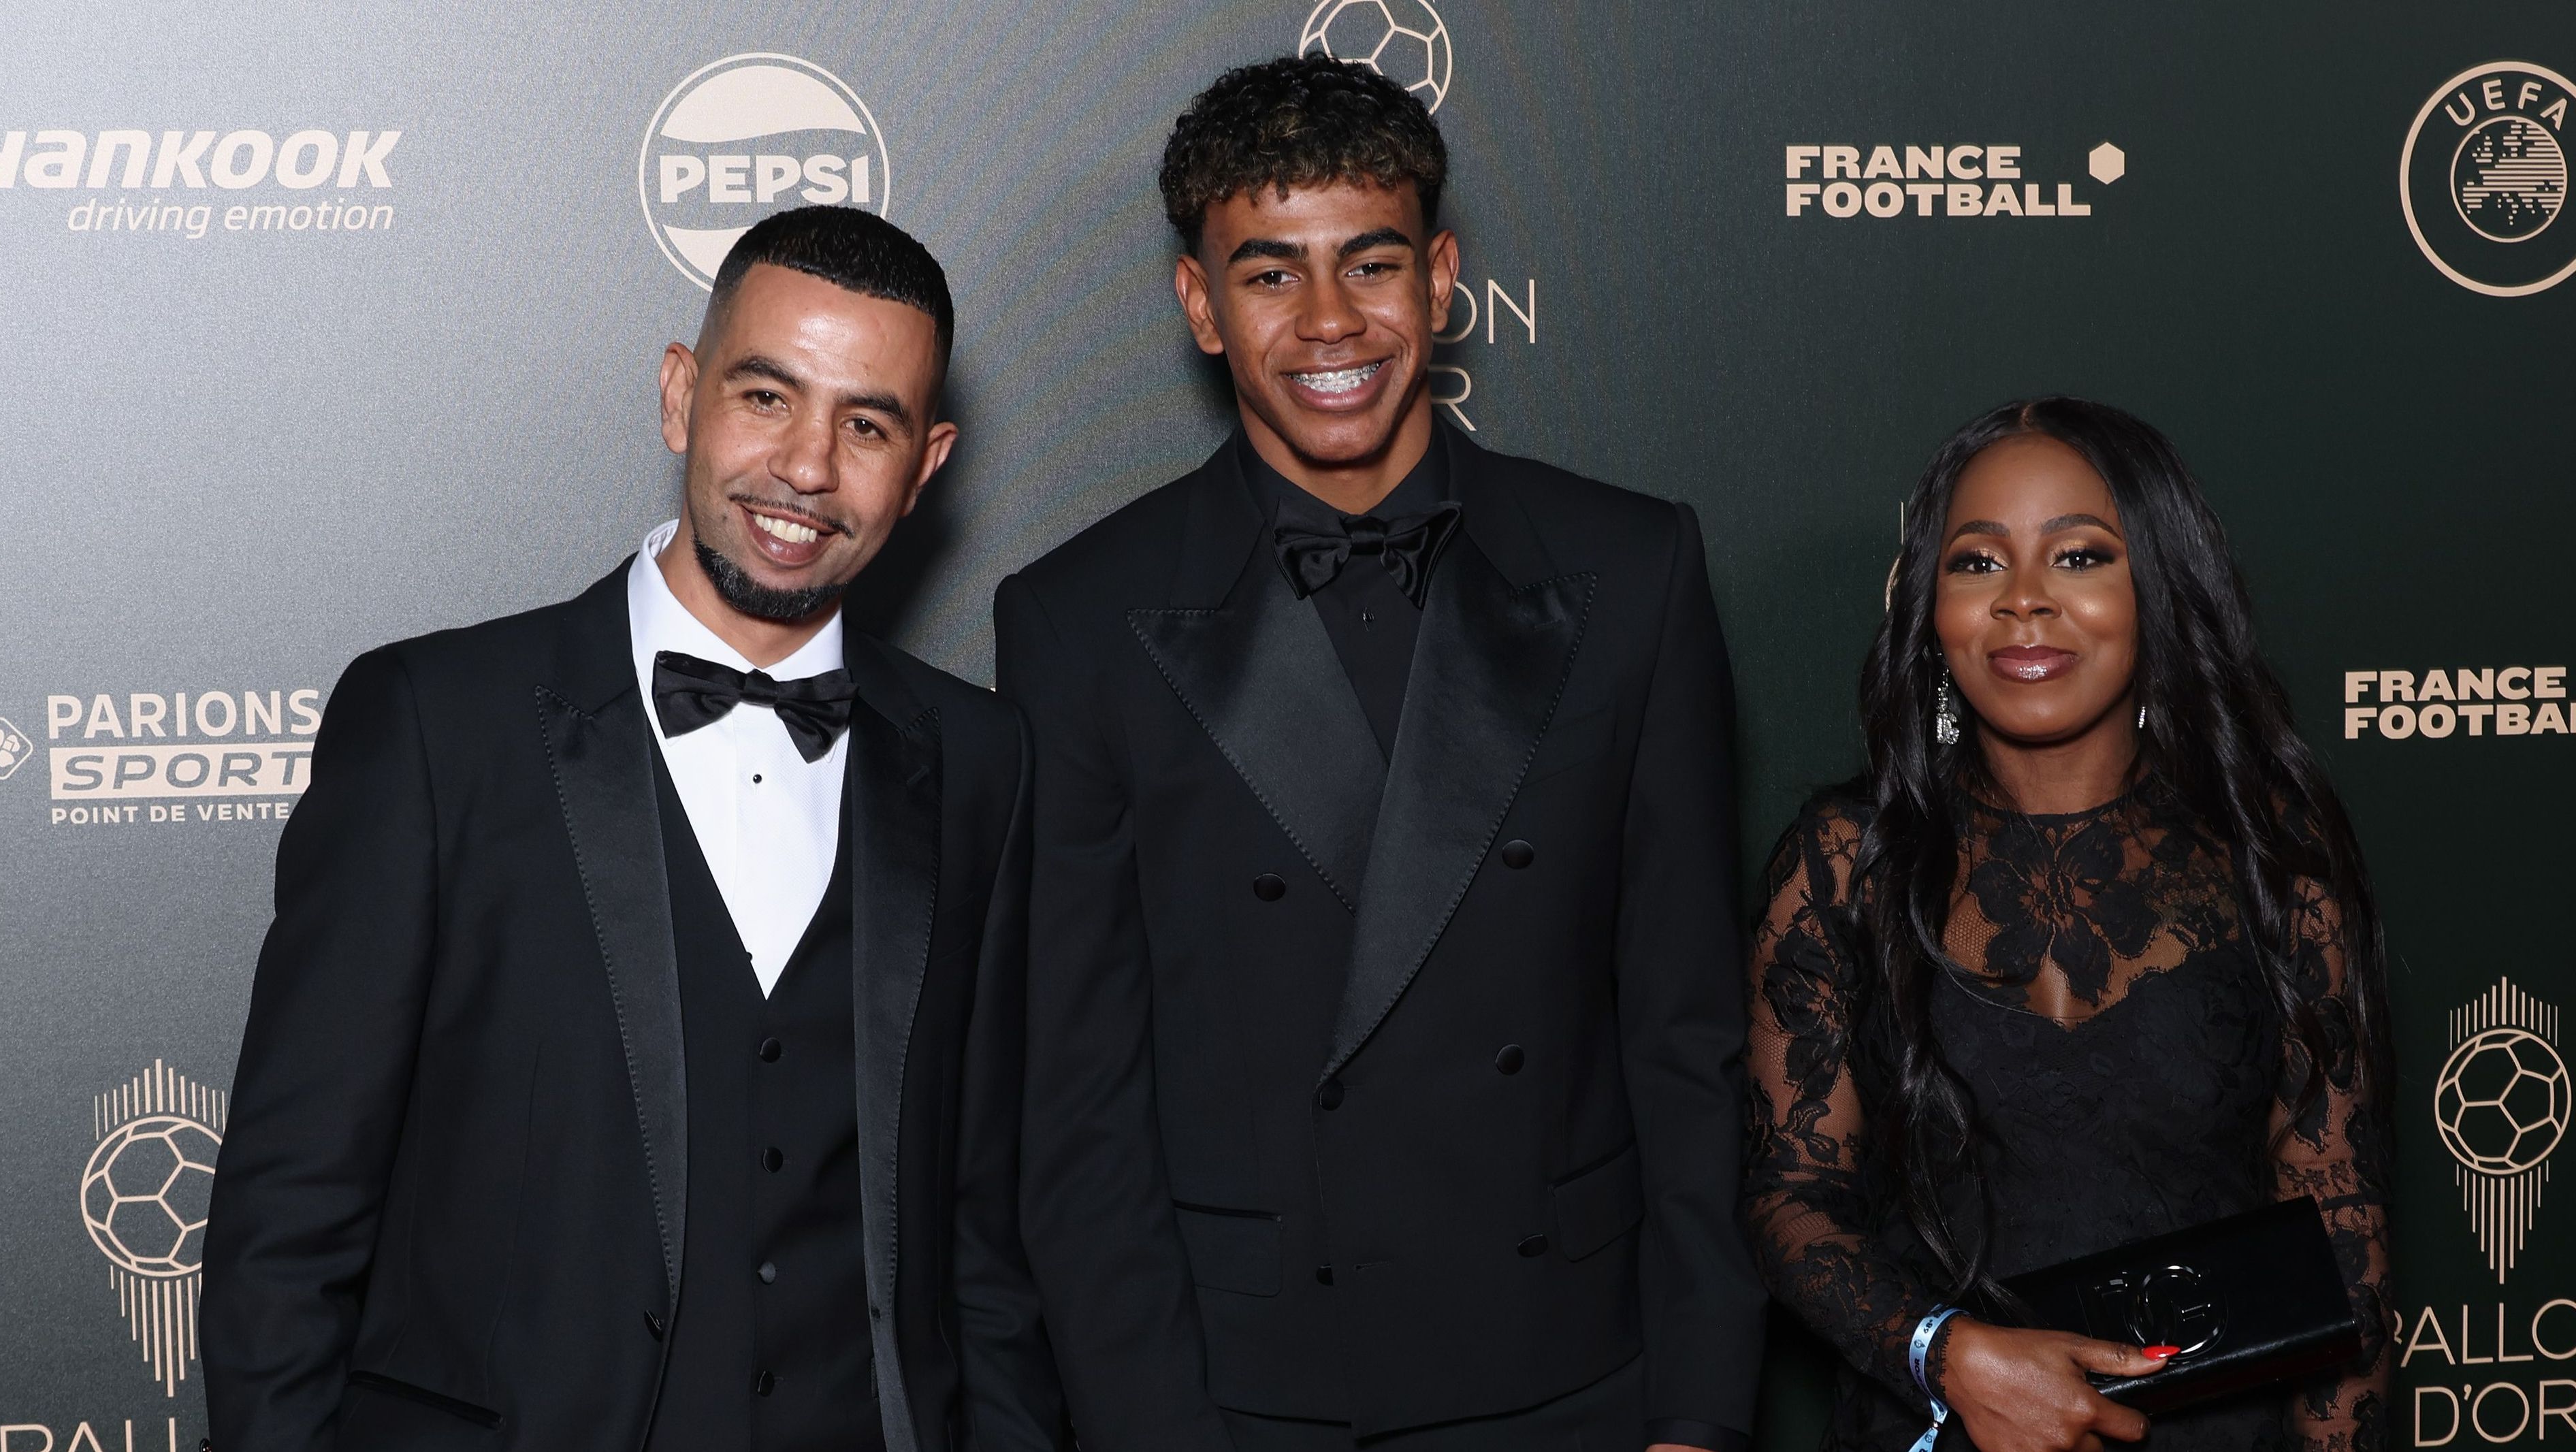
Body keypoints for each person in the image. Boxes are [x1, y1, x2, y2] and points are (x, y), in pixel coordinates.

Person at [997, 56, 1765, 1452]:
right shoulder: (1076, 619)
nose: (1331, 321)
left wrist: (1703, 1407)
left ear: (1443, 275)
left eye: (1371, 263)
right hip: (1255, 1395)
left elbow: (1689, 1031)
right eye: (1271, 273)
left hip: (1578, 1378)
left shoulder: (1632, 566)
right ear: (1201, 307)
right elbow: (1078, 1112)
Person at [202, 207, 1062, 1452]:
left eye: (865, 424)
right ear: (681, 394)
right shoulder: (438, 726)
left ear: (925, 465)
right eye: (767, 397)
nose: (808, 467)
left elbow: (983, 1237)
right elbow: (292, 1218)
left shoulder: (983, 761)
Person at [1744, 398, 2394, 1452]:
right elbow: (1791, 1200)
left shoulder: (2275, 857)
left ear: (2158, 586)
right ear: (1931, 607)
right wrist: (1948, 1353)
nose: (2024, 602)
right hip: (1943, 1427)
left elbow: (2345, 1238)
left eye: (2081, 556)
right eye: (1977, 562)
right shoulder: (1842, 862)